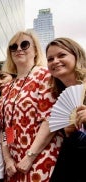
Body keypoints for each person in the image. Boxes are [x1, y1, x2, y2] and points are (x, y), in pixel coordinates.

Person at [0, 30, 63, 181]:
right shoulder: (8, 87)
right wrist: (8, 159)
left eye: (24, 44)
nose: (19, 49)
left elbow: (49, 120)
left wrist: (29, 156)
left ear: (35, 50)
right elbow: (7, 126)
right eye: (13, 47)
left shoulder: (46, 75)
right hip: (15, 163)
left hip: (41, 155)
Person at [45, 37, 86, 182]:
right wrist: (69, 132)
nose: (55, 61)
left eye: (61, 55)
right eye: (50, 59)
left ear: (76, 55)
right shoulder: (56, 96)